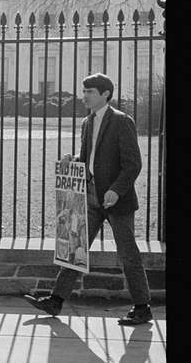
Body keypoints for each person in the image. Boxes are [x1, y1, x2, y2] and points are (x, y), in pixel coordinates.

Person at [25, 73, 153, 325]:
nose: (84, 96)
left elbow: (133, 164)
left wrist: (116, 190)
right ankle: (55, 301)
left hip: (117, 200)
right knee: (76, 249)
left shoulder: (121, 121)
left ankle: (142, 306)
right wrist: (70, 161)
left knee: (128, 253)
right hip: (91, 196)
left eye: (90, 91)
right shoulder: (87, 122)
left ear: (105, 94)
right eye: (84, 91)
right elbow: (87, 159)